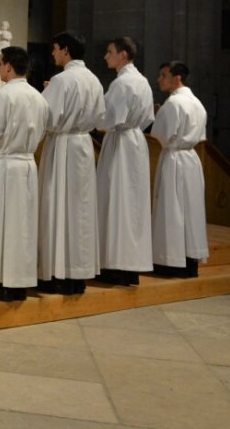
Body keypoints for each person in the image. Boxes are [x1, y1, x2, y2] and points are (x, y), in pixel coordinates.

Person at [0, 46, 49, 302]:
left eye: (0, 64)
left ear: (7, 66)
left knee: (1, 223)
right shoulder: (39, 97)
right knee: (22, 226)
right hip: (26, 165)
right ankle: (18, 282)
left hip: (5, 165)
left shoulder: (4, 96)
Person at [37, 31, 104, 295]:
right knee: (80, 210)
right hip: (84, 146)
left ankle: (57, 272)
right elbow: (100, 117)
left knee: (58, 205)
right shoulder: (94, 79)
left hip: (63, 145)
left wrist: (45, 93)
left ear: (65, 50)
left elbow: (47, 117)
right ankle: (78, 273)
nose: (53, 54)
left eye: (55, 49)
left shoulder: (61, 80)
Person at [95, 36, 154, 286]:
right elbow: (148, 117)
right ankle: (131, 265)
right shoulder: (143, 81)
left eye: (109, 52)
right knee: (133, 206)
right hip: (136, 142)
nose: (106, 57)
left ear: (123, 55)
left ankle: (115, 264)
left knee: (116, 201)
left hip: (120, 143)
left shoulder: (122, 84)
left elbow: (106, 120)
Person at [150, 61, 209, 278]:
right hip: (191, 159)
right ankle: (189, 261)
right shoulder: (197, 103)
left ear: (177, 78)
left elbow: (161, 134)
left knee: (172, 209)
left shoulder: (174, 103)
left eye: (163, 75)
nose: (159, 80)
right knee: (190, 211)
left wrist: (159, 115)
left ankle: (171, 261)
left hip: (174, 158)